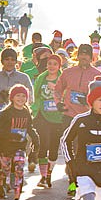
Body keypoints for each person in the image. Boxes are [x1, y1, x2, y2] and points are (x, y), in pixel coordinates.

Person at [54, 44, 101, 196]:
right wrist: (58, 103)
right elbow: (57, 89)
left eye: (87, 55)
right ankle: (72, 181)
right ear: (77, 55)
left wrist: (94, 107)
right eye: (82, 54)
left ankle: (84, 180)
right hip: (68, 115)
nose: (84, 57)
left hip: (87, 117)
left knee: (83, 150)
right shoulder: (68, 72)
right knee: (69, 150)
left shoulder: (97, 74)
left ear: (91, 57)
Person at [0, 84, 40, 200]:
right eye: (18, 95)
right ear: (12, 98)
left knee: (19, 170)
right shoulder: (6, 113)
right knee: (6, 170)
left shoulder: (26, 112)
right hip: (5, 147)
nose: (21, 98)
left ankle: (16, 199)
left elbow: (30, 128)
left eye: (23, 96)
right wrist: (3, 140)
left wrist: (35, 140)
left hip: (20, 147)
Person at [0, 47, 33, 165]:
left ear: (17, 61)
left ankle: (15, 180)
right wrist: (0, 95)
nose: (10, 62)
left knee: (17, 155)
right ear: (2, 61)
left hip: (18, 121)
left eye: (12, 59)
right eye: (7, 59)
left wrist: (18, 99)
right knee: (1, 154)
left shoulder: (23, 77)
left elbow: (31, 98)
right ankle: (1, 180)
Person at [31, 54, 63, 188]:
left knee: (54, 148)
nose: (52, 66)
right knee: (43, 143)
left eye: (55, 64)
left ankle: (49, 174)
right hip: (42, 115)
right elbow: (35, 95)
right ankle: (43, 176)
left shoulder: (63, 79)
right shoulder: (41, 78)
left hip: (58, 118)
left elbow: (66, 95)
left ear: (59, 66)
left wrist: (55, 89)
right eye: (50, 63)